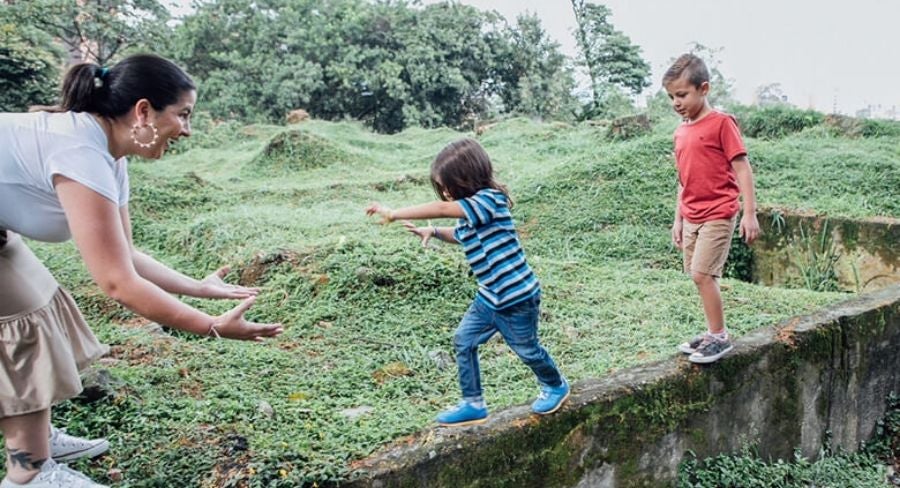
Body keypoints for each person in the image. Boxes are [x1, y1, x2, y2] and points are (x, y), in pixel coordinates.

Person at [0, 54, 283, 487]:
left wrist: (199, 288)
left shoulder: (111, 153)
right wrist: (210, 327)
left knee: (37, 302)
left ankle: (36, 439)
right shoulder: (81, 151)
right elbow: (116, 283)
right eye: (183, 115)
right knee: (23, 324)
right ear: (144, 111)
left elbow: (125, 254)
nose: (187, 129)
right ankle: (28, 473)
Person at [365, 138, 569, 427]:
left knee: (527, 350)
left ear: (468, 178)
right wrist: (433, 231)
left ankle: (556, 385)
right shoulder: (471, 214)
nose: (446, 193)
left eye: (448, 186)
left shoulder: (489, 200)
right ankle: (473, 403)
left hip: (517, 298)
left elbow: (445, 209)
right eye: (442, 188)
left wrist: (394, 213)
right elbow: (459, 234)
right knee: (464, 340)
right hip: (490, 298)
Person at [663, 53, 760, 364]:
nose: (676, 102)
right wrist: (677, 219)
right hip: (690, 214)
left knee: (703, 274)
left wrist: (749, 212)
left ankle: (719, 336)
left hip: (719, 212)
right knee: (697, 275)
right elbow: (683, 179)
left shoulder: (722, 123)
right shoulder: (680, 132)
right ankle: (711, 332)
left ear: (703, 88)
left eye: (682, 94)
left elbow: (742, 168)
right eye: (671, 97)